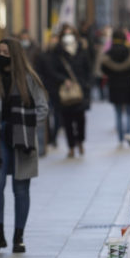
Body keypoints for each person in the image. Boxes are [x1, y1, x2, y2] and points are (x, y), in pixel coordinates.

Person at [0, 38, 48, 253]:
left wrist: (24, 124)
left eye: (6, 52)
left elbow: (43, 109)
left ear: (15, 55)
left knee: (21, 188)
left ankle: (18, 237)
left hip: (21, 139)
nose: (2, 55)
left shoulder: (28, 79)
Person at [49, 24, 93, 158]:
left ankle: (80, 141)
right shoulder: (58, 52)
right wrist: (64, 80)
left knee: (80, 119)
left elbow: (88, 69)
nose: (68, 36)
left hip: (80, 90)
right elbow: (53, 71)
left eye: (70, 33)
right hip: (65, 92)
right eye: (65, 34)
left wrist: (86, 85)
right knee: (67, 120)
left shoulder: (82, 50)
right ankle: (71, 146)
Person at [99, 27, 130, 147]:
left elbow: (103, 69)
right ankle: (128, 132)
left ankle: (120, 139)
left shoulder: (108, 53)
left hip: (114, 86)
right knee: (129, 111)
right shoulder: (129, 51)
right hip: (128, 84)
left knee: (118, 112)